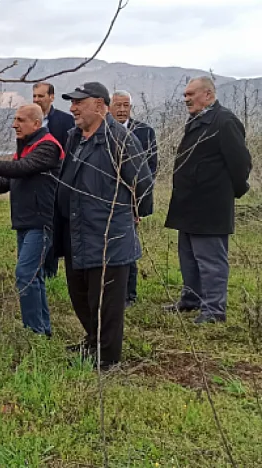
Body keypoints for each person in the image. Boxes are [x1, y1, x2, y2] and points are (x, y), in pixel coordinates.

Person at [54, 82, 153, 369]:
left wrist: (133, 215)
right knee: (80, 295)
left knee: (106, 304)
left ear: (99, 105)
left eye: (79, 103)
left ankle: (107, 360)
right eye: (72, 103)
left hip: (109, 235)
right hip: (77, 232)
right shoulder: (75, 137)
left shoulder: (119, 138)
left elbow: (142, 184)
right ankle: (92, 341)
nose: (72, 108)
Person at [0, 104, 64, 336]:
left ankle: (34, 331)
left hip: (41, 223)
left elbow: (18, 169)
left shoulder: (47, 147)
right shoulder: (27, 148)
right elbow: (9, 182)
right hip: (25, 223)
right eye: (14, 119)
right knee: (33, 277)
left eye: (20, 120)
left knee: (25, 275)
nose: (14, 124)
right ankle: (41, 330)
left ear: (36, 124)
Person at [163, 76, 252, 324]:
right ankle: (190, 300)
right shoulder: (197, 120)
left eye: (191, 94)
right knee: (189, 257)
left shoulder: (224, 121)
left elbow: (241, 163)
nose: (186, 99)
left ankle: (214, 311)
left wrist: (230, 192)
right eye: (185, 95)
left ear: (209, 95)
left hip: (210, 206)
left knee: (211, 260)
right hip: (188, 205)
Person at [110, 90, 158, 307]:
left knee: (128, 246)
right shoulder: (104, 130)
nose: (121, 110)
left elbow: (151, 168)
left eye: (125, 105)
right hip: (106, 200)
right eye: (118, 105)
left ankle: (129, 294)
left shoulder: (144, 132)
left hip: (132, 201)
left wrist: (138, 202)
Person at [33, 82, 76, 149]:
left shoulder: (65, 120)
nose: (36, 100)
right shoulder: (28, 119)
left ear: (51, 97)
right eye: (34, 96)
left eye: (40, 96)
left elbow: (70, 148)